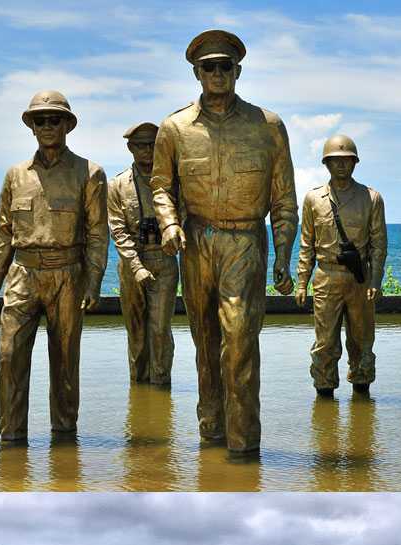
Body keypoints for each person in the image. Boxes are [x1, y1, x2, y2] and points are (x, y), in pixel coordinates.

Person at [152, 29, 298, 453]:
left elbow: (284, 198)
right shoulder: (174, 128)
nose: (217, 73)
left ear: (238, 70)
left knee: (239, 342)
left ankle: (243, 446)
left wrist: (284, 254)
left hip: (245, 241)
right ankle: (211, 435)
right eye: (208, 67)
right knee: (205, 345)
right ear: (197, 73)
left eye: (225, 66)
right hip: (196, 241)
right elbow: (161, 186)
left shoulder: (267, 126)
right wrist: (168, 223)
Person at [0, 90, 107, 442]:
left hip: (68, 274)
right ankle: (11, 440)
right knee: (9, 357)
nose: (48, 126)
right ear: (31, 127)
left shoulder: (90, 173)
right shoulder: (15, 175)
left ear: (67, 124)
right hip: (22, 275)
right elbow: (3, 231)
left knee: (65, 363)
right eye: (41, 120)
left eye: (55, 119)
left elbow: (98, 234)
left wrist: (94, 282)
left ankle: (65, 441)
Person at [296, 135, 387, 397]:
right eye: (335, 161)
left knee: (361, 341)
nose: (340, 166)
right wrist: (302, 282)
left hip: (359, 279)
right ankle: (324, 395)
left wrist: (375, 281)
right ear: (326, 164)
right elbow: (306, 244)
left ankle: (362, 392)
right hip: (326, 276)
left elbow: (378, 245)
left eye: (346, 161)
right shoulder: (314, 199)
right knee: (325, 342)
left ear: (355, 163)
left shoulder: (371, 198)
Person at [108, 122, 179, 385]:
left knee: (160, 329)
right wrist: (136, 267)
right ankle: (139, 389)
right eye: (140, 145)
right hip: (131, 262)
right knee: (136, 332)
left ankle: (161, 386)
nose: (147, 150)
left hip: (164, 259)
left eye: (152, 144)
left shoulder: (174, 181)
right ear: (130, 148)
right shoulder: (117, 185)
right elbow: (117, 230)